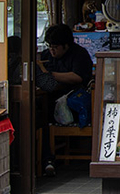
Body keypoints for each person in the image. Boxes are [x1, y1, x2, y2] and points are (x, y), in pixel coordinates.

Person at [35, 23, 94, 176]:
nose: (51, 50)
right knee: (38, 116)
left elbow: (78, 77)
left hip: (73, 104)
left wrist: (49, 74)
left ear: (66, 45)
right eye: (49, 46)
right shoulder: (46, 56)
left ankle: (48, 159)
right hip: (50, 99)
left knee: (46, 119)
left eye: (55, 47)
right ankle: (46, 159)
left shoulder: (79, 54)